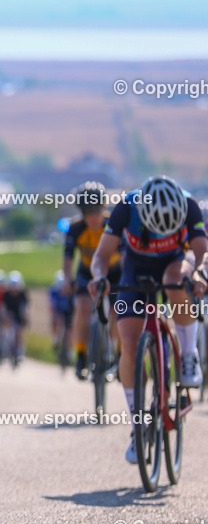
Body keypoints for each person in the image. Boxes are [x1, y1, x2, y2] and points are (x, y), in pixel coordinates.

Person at [89, 176, 207, 464]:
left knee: (174, 279)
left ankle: (188, 355)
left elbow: (202, 252)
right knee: (129, 346)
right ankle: (138, 426)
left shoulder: (190, 205)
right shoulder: (126, 209)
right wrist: (100, 278)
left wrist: (199, 274)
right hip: (136, 269)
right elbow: (101, 257)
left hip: (175, 263)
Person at [63, 182, 121, 379]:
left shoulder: (114, 224)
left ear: (104, 207)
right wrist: (67, 281)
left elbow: (124, 256)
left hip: (114, 273)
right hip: (87, 273)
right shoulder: (75, 229)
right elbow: (68, 259)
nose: (93, 217)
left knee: (118, 311)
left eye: (96, 211)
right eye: (87, 212)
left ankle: (120, 354)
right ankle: (81, 355)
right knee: (82, 307)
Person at [1, 271, 28, 363]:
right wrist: (4, 316)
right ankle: (5, 346)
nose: (14, 289)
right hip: (9, 313)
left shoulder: (22, 294)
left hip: (18, 314)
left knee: (19, 332)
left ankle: (20, 351)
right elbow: (3, 307)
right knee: (6, 327)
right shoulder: (6, 294)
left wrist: (25, 315)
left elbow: (26, 307)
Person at [48, 270, 74, 350]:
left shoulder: (72, 293)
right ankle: (56, 338)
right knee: (55, 321)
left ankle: (69, 350)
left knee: (69, 331)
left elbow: (75, 307)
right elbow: (51, 306)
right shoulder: (54, 292)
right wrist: (54, 315)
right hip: (58, 311)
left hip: (69, 313)